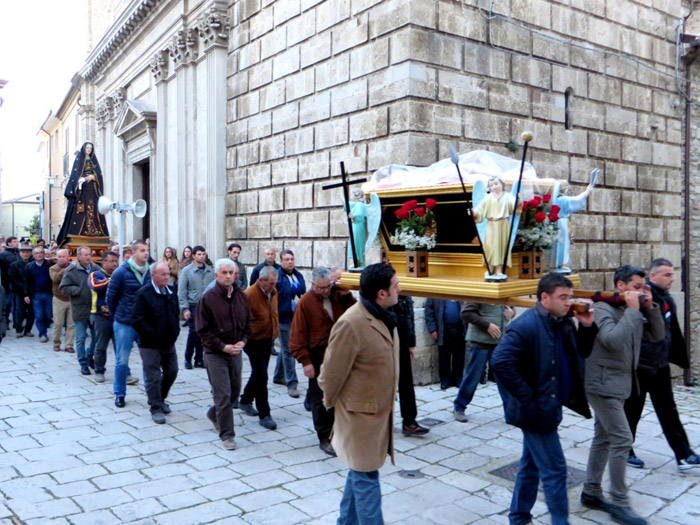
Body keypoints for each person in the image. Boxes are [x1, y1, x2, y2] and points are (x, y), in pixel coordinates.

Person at [491, 273, 596, 525]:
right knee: (556, 470)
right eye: (562, 297)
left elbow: (581, 352)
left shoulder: (563, 322)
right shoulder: (525, 325)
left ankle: (518, 517)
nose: (568, 302)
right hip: (536, 412)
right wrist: (528, 398)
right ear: (544, 297)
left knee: (531, 465)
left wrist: (588, 326)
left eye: (570, 297)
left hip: (551, 405)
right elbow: (499, 362)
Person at [581, 265, 664, 525]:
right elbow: (612, 340)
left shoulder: (634, 308)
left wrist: (649, 308)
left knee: (603, 437)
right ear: (620, 285)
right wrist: (632, 310)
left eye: (643, 287)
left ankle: (591, 492)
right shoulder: (603, 307)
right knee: (622, 438)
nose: (640, 292)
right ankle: (619, 501)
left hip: (620, 384)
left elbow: (658, 334)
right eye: (636, 287)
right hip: (602, 384)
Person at [318, 263, 401, 524]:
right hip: (359, 417)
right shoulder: (351, 323)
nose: (400, 289)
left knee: (360, 471)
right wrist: (330, 402)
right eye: (396, 286)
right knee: (366, 475)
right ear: (381, 294)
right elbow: (330, 372)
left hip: (378, 414)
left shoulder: (385, 316)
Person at [624, 258, 700, 471]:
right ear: (654, 275)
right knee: (632, 409)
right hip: (640, 365)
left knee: (668, 410)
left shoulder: (667, 298)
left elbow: (671, 330)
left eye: (672, 274)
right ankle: (624, 450)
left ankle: (683, 455)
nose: (671, 278)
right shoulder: (642, 298)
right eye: (667, 274)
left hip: (660, 364)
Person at [291, 266, 357, 455]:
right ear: (313, 285)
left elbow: (355, 312)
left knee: (342, 394)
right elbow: (298, 334)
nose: (325, 291)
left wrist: (346, 294)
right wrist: (305, 362)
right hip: (317, 356)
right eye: (321, 288)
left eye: (328, 286)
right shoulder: (305, 303)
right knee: (318, 397)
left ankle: (336, 430)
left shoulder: (338, 295)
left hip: (340, 353)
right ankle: (323, 436)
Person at [196, 258, 251, 450]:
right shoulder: (208, 298)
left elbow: (248, 324)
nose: (229, 277)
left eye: (231, 273)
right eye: (225, 273)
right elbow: (202, 330)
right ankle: (227, 435)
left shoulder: (241, 296)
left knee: (234, 392)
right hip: (215, 353)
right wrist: (222, 346)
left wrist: (242, 342)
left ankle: (214, 413)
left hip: (235, 351)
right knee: (223, 394)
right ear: (216, 275)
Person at [132, 262, 180, 424]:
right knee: (153, 377)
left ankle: (160, 398)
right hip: (150, 344)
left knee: (172, 371)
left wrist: (175, 331)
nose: (167, 277)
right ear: (153, 275)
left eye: (168, 274)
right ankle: (156, 408)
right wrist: (152, 335)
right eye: (163, 274)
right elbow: (137, 319)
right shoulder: (144, 294)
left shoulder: (171, 292)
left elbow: (175, 312)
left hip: (168, 342)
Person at [107, 240, 151, 407]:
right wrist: (118, 315)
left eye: (147, 250)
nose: (146, 253)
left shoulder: (151, 271)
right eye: (142, 250)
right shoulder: (121, 272)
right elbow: (111, 298)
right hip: (124, 322)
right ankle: (119, 394)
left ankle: (152, 395)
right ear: (133, 253)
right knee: (122, 360)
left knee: (148, 360)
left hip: (145, 323)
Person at [454, 302, 515, 422]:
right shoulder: (481, 290)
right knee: (473, 376)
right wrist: (487, 325)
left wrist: (512, 313)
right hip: (480, 342)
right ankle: (459, 407)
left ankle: (511, 412)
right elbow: (466, 313)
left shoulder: (501, 289)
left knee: (504, 377)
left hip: (499, 342)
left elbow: (509, 309)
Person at [239, 265, 279, 430]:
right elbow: (241, 319)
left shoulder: (273, 292)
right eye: (270, 283)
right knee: (262, 376)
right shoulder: (248, 295)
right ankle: (265, 413)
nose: (273, 286)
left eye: (275, 283)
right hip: (252, 340)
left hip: (267, 338)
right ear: (261, 281)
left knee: (258, 372)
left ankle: (245, 400)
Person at [390, 295, 430, 437]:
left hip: (404, 345)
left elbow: (410, 318)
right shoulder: (385, 293)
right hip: (387, 345)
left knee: (406, 384)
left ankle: (409, 422)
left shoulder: (406, 294)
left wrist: (411, 343)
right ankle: (381, 423)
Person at [56, 142, 110, 246]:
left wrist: (94, 177)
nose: (89, 149)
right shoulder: (79, 160)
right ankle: (81, 230)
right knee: (82, 209)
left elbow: (99, 174)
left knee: (93, 208)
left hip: (93, 189)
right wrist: (83, 179)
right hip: (83, 190)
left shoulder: (94, 161)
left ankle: (94, 230)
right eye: (87, 147)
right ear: (84, 149)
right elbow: (75, 175)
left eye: (91, 148)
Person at [60, 246, 101, 375]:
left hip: (94, 308)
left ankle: (89, 355)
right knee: (81, 338)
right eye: (85, 255)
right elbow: (64, 287)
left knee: (97, 337)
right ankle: (83, 363)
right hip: (79, 308)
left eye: (89, 254)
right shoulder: (71, 270)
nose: (88, 257)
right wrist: (78, 290)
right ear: (79, 256)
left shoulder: (96, 269)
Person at [273, 249, 305, 398]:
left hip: (296, 318)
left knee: (285, 349)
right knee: (289, 350)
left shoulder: (298, 275)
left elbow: (303, 295)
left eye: (292, 259)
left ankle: (278, 376)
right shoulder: (277, 277)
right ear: (280, 261)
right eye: (286, 259)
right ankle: (292, 384)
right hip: (283, 318)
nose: (290, 261)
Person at [472, 175, 517, 278]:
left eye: (496, 184)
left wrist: (518, 201)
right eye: (491, 185)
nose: (494, 187)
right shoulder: (488, 198)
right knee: (490, 247)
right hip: (491, 225)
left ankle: (499, 270)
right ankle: (490, 268)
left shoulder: (508, 196)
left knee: (501, 247)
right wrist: (474, 212)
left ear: (502, 185)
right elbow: (480, 209)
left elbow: (514, 207)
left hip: (503, 225)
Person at [178, 245, 215, 369]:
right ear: (193, 256)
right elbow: (182, 291)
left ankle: (199, 359)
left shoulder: (210, 270)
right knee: (193, 332)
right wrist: (185, 308)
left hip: (207, 306)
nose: (201, 256)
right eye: (199, 254)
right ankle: (188, 358)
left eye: (203, 254)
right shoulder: (186, 271)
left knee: (203, 332)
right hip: (193, 305)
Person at [88, 251, 120, 383]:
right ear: (104, 262)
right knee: (101, 345)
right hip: (101, 315)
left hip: (117, 316)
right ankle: (99, 370)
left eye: (116, 261)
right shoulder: (95, 275)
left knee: (120, 346)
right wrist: (112, 280)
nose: (115, 264)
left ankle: (125, 371)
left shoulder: (119, 275)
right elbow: (95, 286)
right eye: (112, 261)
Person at [424, 298, 467, 389]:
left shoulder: (462, 290)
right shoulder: (435, 293)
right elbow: (429, 311)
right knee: (444, 356)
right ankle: (445, 379)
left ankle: (457, 378)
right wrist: (432, 329)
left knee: (459, 356)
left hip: (459, 329)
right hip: (443, 329)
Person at [24, 246, 53, 343]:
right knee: (39, 315)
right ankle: (42, 333)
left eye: (41, 252)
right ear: (33, 255)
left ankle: (45, 327)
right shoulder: (29, 266)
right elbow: (26, 281)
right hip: (36, 294)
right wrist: (26, 294)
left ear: (44, 254)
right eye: (37, 253)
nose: (39, 254)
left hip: (48, 293)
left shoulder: (49, 265)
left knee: (48, 315)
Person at [49, 249, 75, 353]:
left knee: (71, 324)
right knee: (58, 323)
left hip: (72, 298)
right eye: (59, 257)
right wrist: (66, 269)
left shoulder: (74, 267)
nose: (62, 259)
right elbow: (55, 278)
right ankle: (56, 343)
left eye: (64, 256)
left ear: (68, 257)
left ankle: (69, 345)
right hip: (59, 298)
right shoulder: (53, 268)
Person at [10, 246, 35, 337]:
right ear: (20, 254)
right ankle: (19, 330)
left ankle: (28, 330)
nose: (25, 254)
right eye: (23, 252)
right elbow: (13, 279)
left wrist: (29, 289)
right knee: (19, 311)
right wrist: (23, 288)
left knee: (31, 312)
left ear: (30, 253)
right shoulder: (14, 265)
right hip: (19, 292)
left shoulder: (33, 264)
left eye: (27, 252)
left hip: (31, 292)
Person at [0, 236, 19, 327]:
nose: (17, 243)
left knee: (16, 304)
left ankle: (16, 323)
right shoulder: (3, 255)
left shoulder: (17, 253)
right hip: (7, 283)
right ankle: (6, 322)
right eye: (14, 241)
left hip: (16, 283)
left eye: (17, 241)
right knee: (7, 304)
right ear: (9, 243)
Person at [346, 187, 367, 267]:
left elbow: (361, 215)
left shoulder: (361, 205)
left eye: (353, 194)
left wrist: (354, 216)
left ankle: (360, 261)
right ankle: (356, 262)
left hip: (359, 225)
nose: (352, 196)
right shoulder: (356, 205)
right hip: (354, 225)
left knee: (358, 244)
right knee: (354, 243)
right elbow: (347, 205)